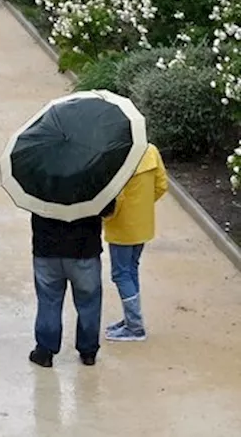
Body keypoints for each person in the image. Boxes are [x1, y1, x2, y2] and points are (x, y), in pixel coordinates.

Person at [29, 199, 117, 368]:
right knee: (88, 303)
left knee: (49, 301)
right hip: (85, 249)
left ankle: (45, 351)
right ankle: (88, 351)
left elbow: (30, 202)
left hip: (46, 248)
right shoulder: (92, 175)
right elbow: (108, 208)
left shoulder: (39, 174)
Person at [103, 144, 169, 342]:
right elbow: (161, 185)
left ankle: (135, 326)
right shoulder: (151, 151)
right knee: (131, 270)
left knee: (120, 274)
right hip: (142, 224)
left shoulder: (118, 155)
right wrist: (142, 205)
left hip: (122, 226)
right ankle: (132, 319)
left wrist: (106, 216)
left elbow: (116, 196)